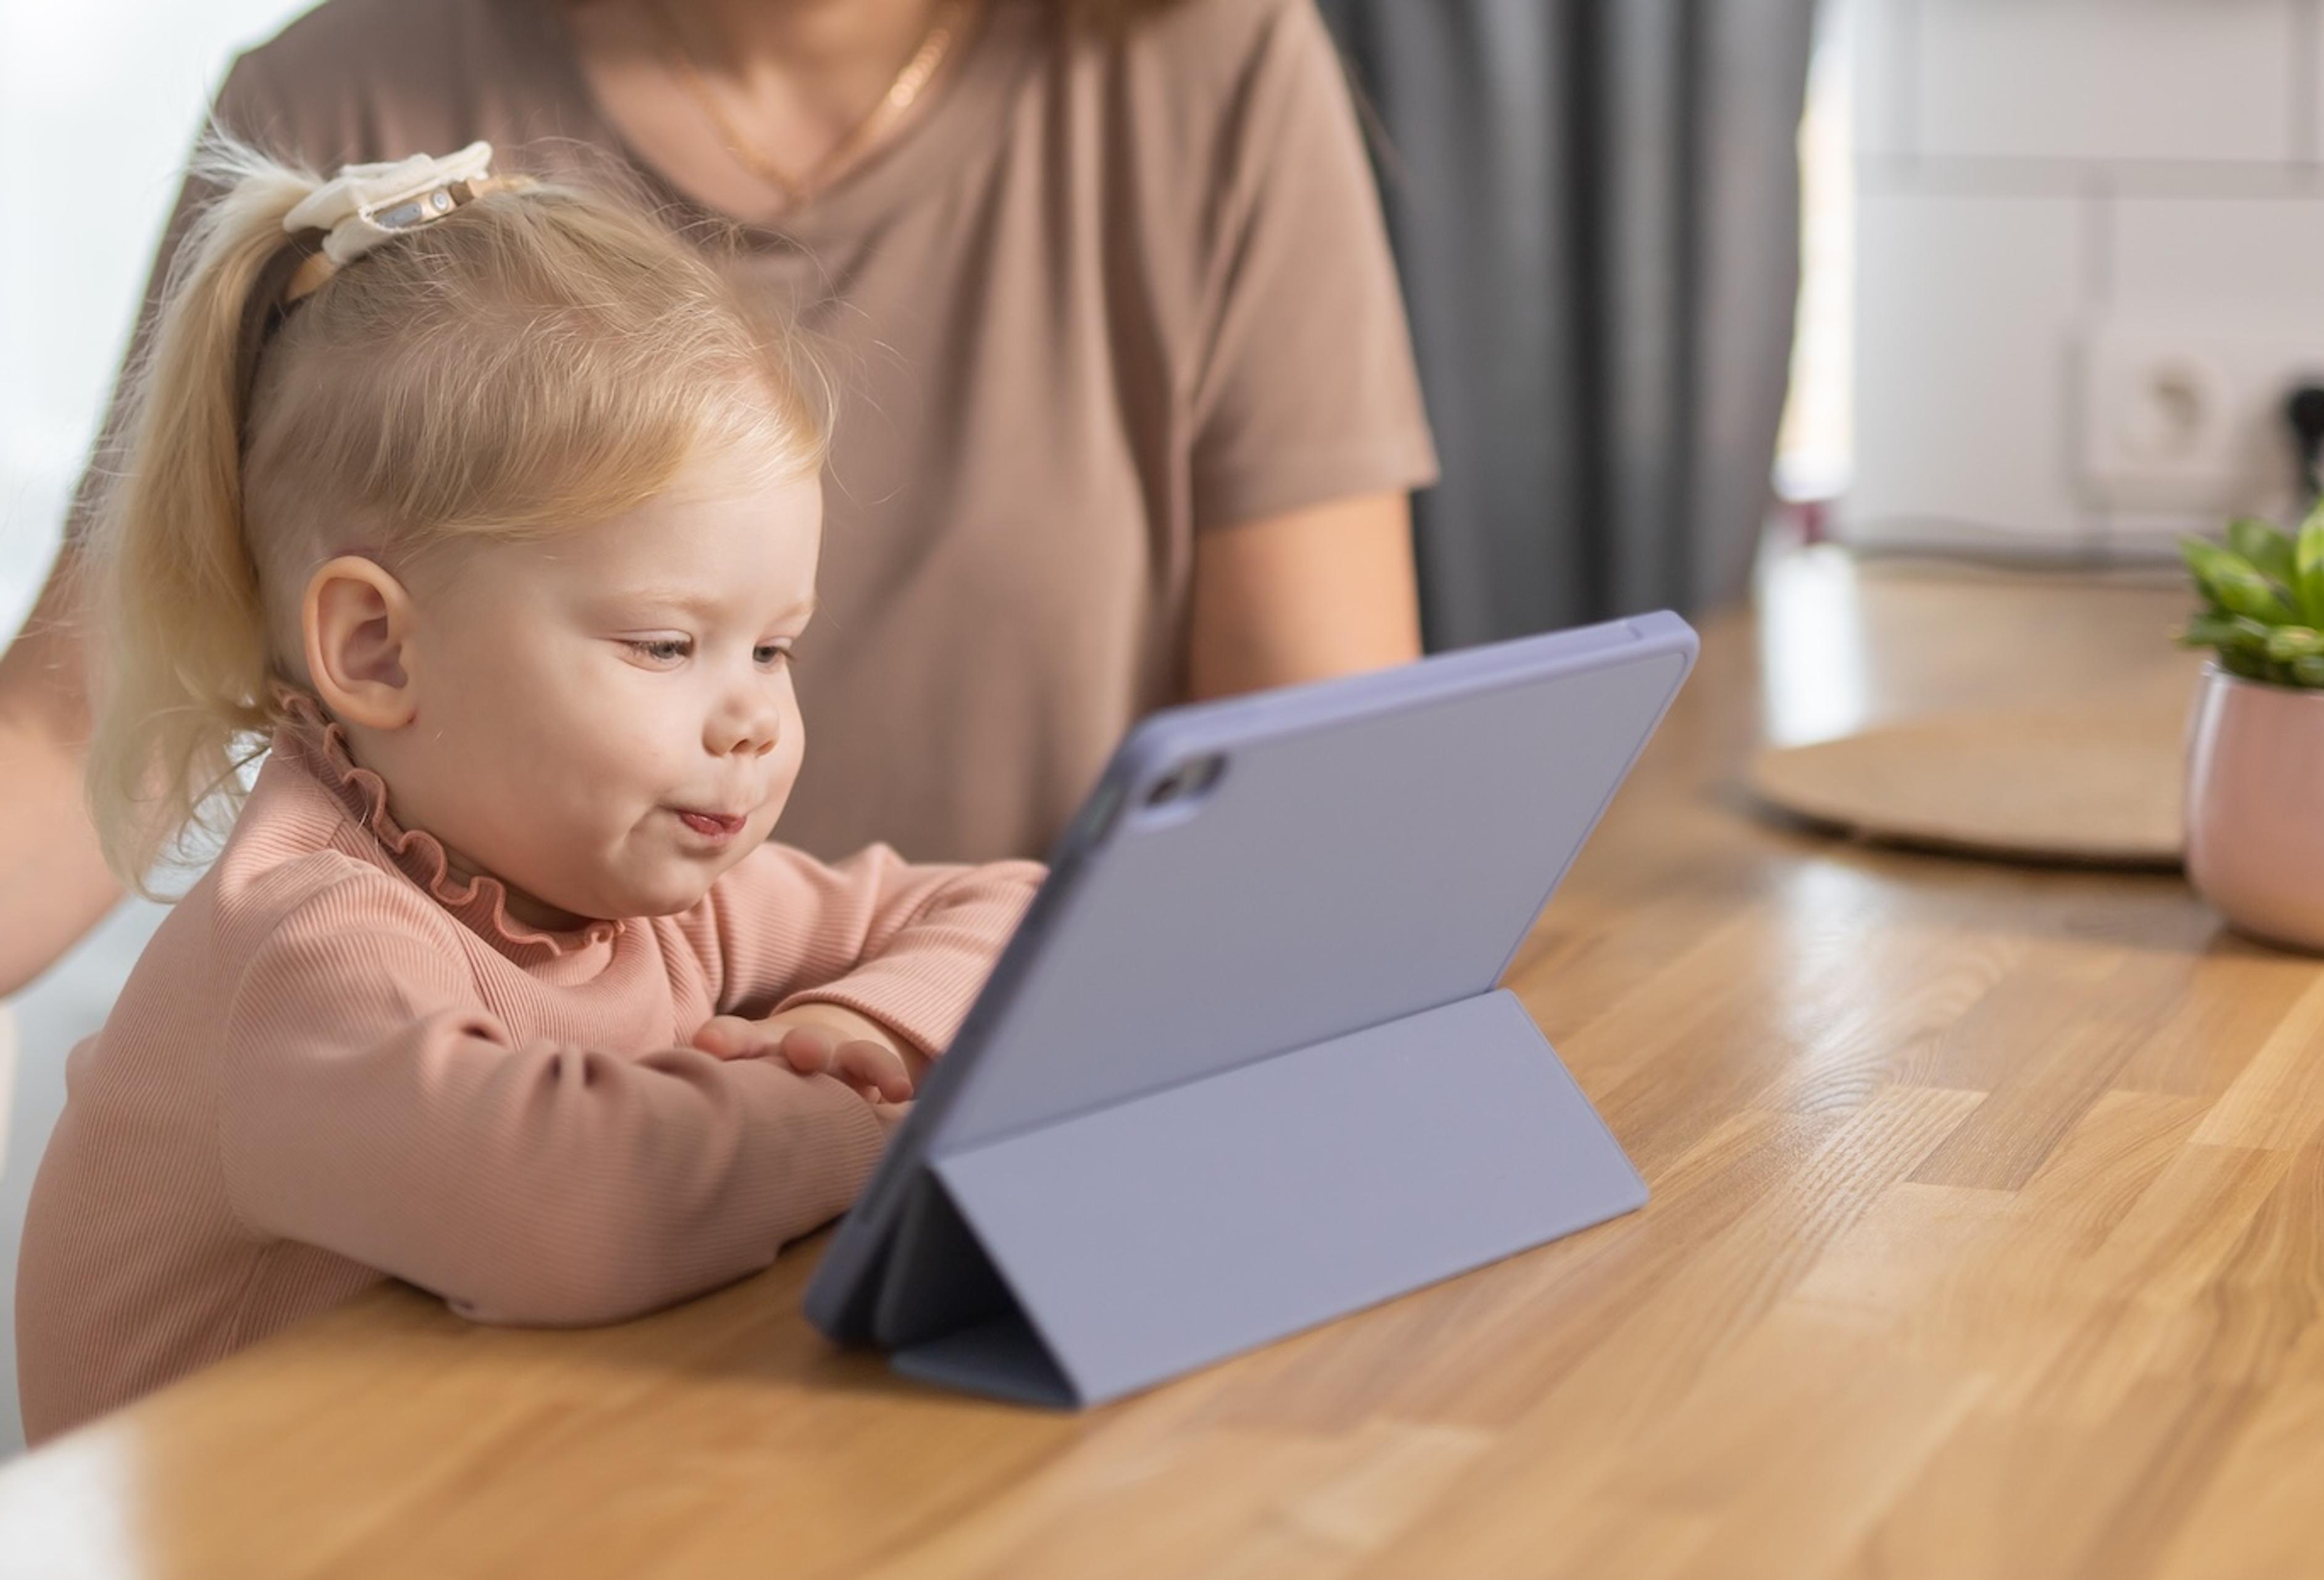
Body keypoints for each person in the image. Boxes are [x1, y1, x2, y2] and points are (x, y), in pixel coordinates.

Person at [0, 0, 1436, 997]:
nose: (751, 724)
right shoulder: (342, 103)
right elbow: (79, 730)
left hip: (1002, 1130)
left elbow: (1316, 789)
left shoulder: (1209, 66)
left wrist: (898, 1044)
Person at [15, 144, 1043, 1444]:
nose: (753, 719)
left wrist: (860, 1020)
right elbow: (573, 1204)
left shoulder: (630, 885)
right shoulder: (301, 952)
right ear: (381, 649)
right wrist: (859, 1109)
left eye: (773, 646)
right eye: (666, 645)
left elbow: (1026, 914)